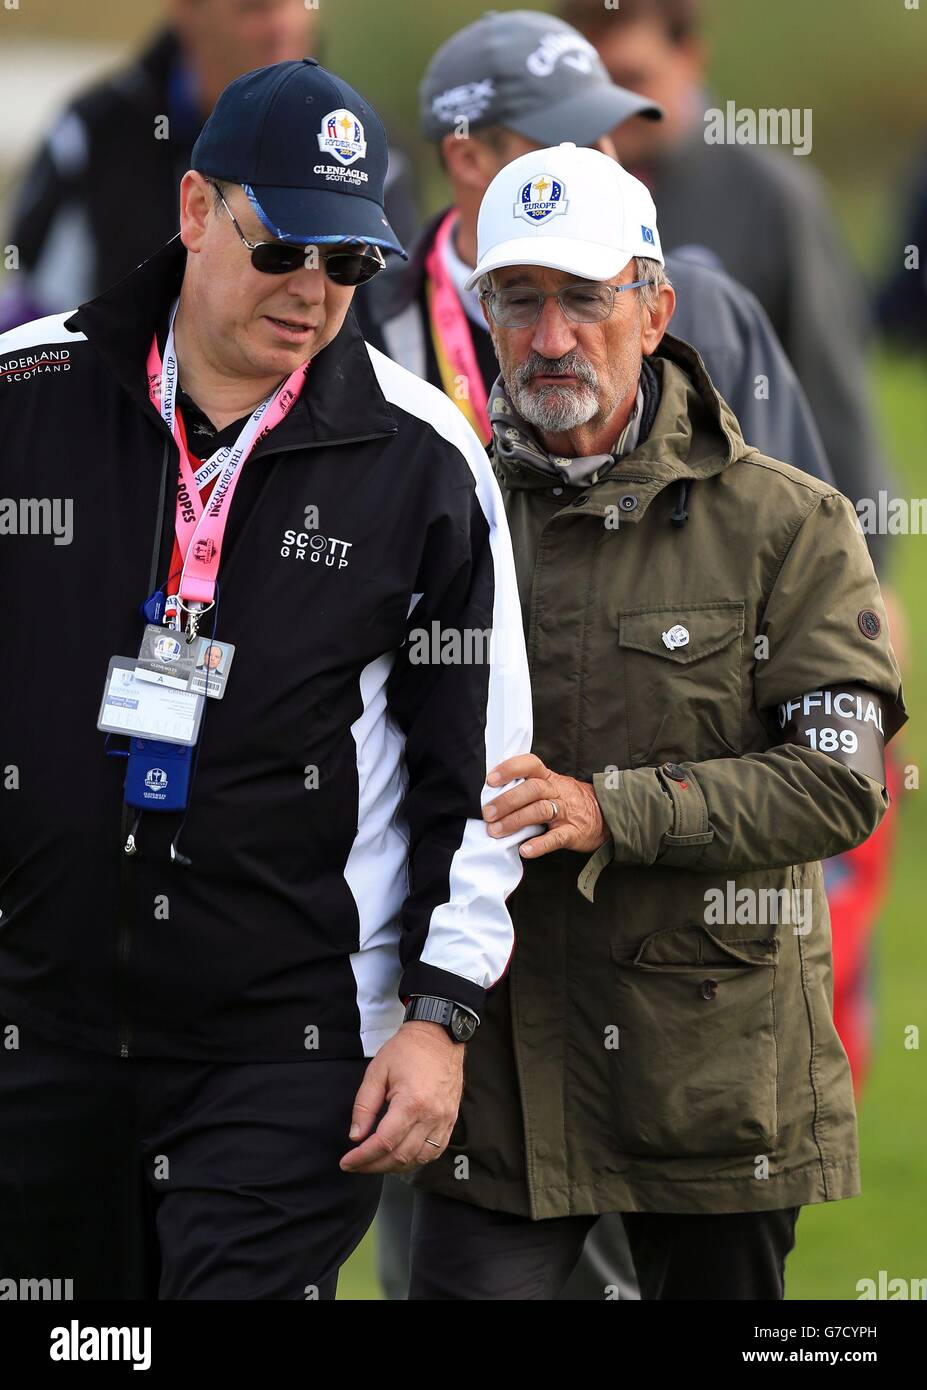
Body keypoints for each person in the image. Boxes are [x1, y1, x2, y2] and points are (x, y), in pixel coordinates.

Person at [0, 59, 532, 1301]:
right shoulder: (28, 393)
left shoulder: (423, 457)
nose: (313, 290)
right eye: (284, 244)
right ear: (195, 210)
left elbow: (482, 760)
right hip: (40, 1024)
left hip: (286, 1051)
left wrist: (439, 1017)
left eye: (349, 264)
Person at [368, 5, 836, 1303]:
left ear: (653, 304)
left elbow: (840, 772)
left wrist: (606, 806)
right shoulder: (425, 480)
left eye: (585, 299)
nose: (553, 336)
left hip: (711, 1078)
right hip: (488, 1049)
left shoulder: (782, 513)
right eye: (521, 303)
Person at [370, 8, 832, 486]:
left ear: (658, 315)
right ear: (469, 158)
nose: (609, 161)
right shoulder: (358, 322)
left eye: (608, 134)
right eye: (572, 142)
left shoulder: (710, 311)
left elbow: (797, 528)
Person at [558, 0, 895, 572]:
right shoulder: (558, 201)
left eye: (633, 79)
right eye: (593, 85)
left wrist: (869, 571)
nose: (611, 110)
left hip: (745, 549)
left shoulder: (774, 200)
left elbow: (834, 394)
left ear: (690, 57)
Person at [0, 0, 418, 332]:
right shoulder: (95, 135)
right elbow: (39, 315)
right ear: (185, 8)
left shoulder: (366, 149)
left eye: (297, 4)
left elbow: (392, 324)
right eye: (254, 8)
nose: (282, 27)